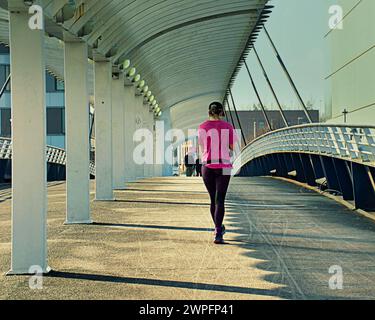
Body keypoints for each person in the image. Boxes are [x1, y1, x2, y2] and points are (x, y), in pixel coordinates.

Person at [198, 101, 237, 244]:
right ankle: (218, 233)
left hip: (208, 165)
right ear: (221, 113)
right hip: (224, 165)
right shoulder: (228, 127)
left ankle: (218, 229)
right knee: (220, 199)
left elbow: (202, 147)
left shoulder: (202, 127)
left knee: (212, 199)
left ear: (209, 112)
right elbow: (232, 147)